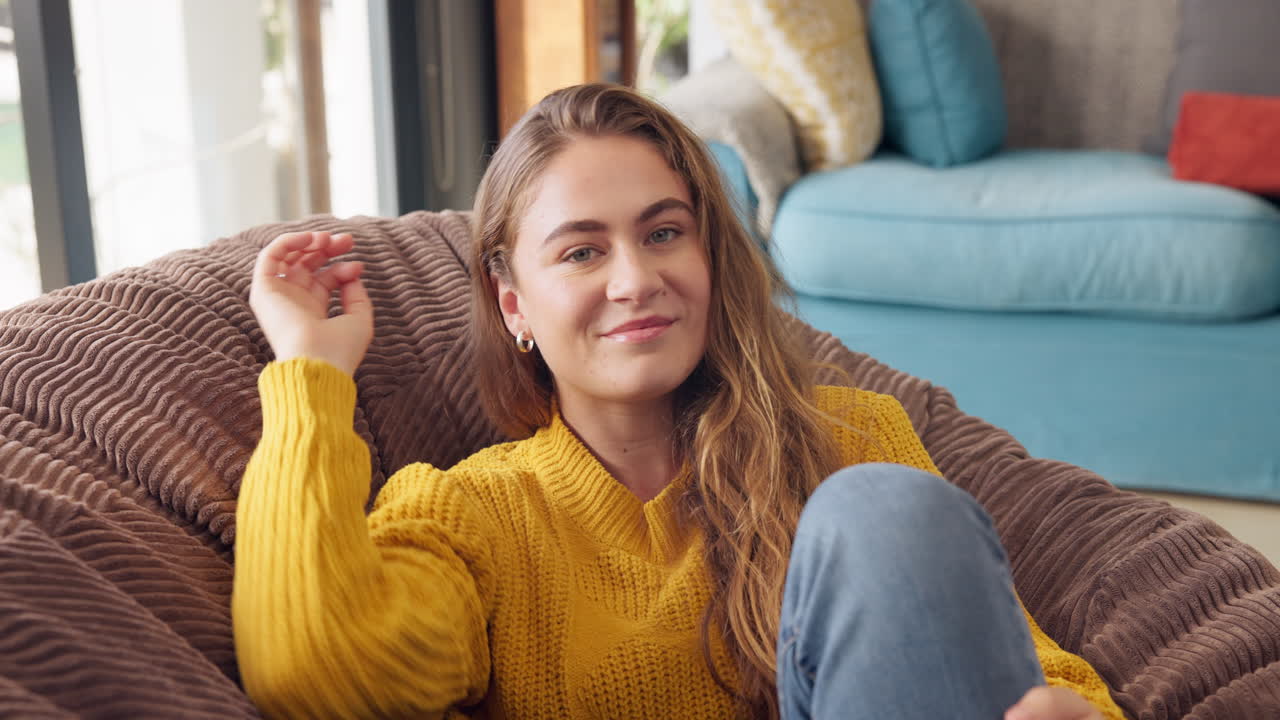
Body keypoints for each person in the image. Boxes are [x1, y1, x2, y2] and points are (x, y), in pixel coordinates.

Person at [234, 83, 1122, 720]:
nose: (636, 280)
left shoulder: (851, 438)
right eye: (582, 252)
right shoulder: (475, 516)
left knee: (885, 506)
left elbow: (1025, 666)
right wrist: (314, 373)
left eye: (664, 233)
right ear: (514, 304)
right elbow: (313, 672)